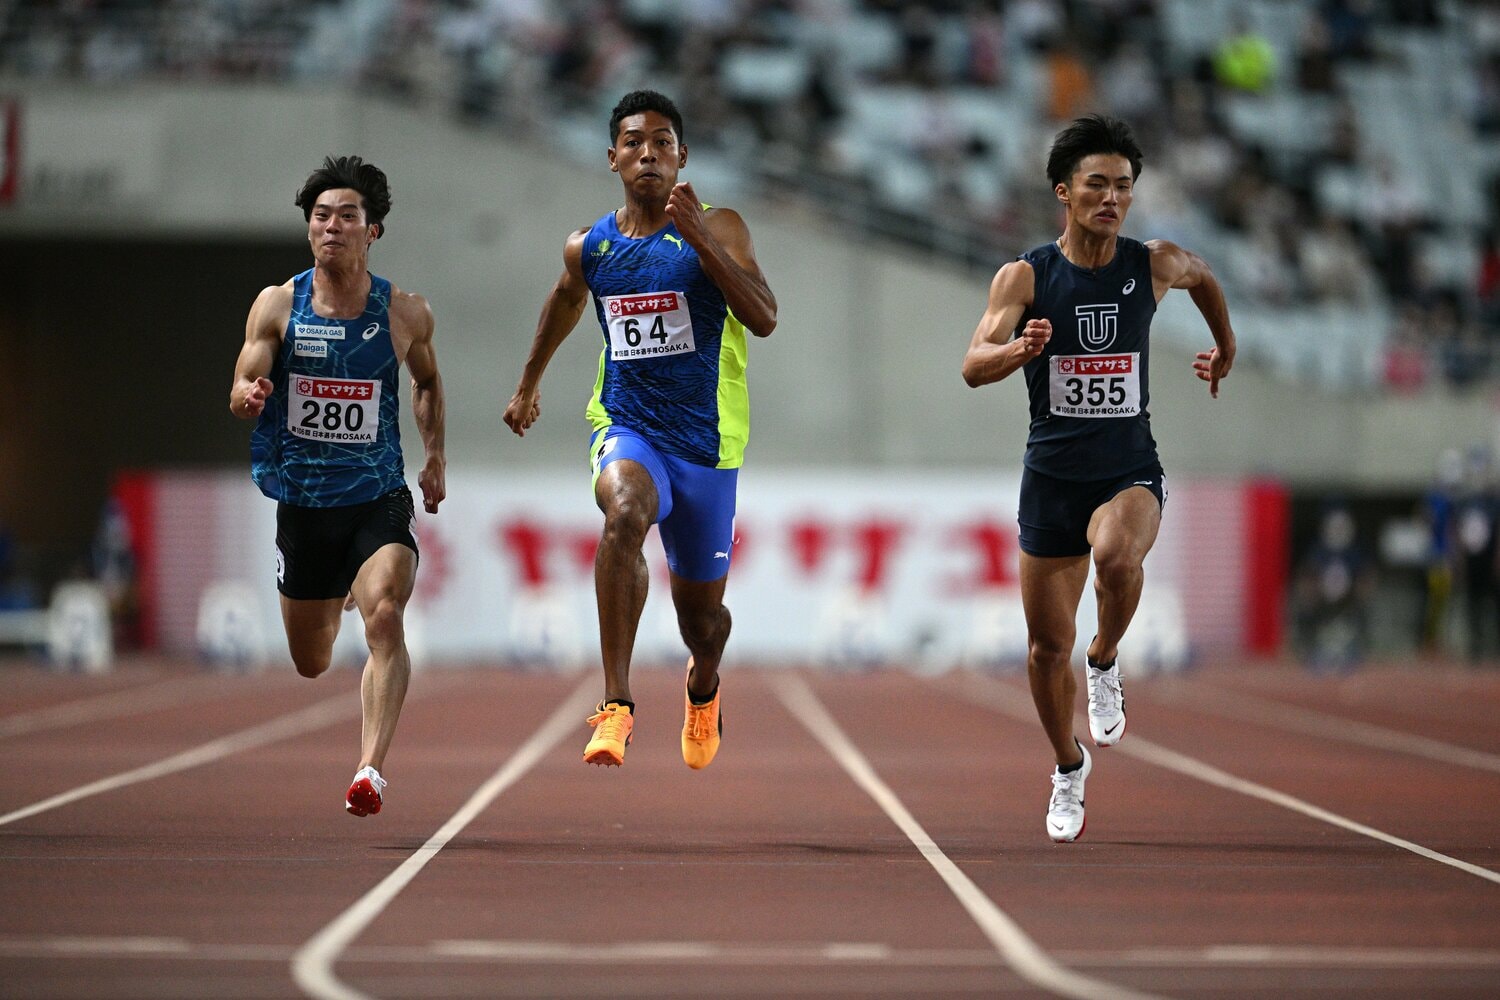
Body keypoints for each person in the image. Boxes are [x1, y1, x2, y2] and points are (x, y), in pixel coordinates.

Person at [960, 114, 1236, 842]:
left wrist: (1225, 346)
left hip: (1128, 470)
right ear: (1064, 192)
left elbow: (1205, 278)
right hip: (1051, 478)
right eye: (1097, 185)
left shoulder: (1153, 264)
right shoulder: (1025, 276)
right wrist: (1021, 349)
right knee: (1045, 650)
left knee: (1118, 556)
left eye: (1123, 186)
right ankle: (1066, 765)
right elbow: (971, 365)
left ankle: (1107, 656)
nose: (1112, 198)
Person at [503, 90, 777, 770]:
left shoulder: (724, 226)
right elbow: (565, 303)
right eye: (633, 141)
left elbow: (765, 317)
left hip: (706, 447)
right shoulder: (591, 246)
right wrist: (529, 382)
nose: (647, 152)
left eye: (662, 141)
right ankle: (616, 705)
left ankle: (703, 685)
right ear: (612, 158)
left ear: (682, 156)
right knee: (624, 511)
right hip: (628, 426)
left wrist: (703, 239)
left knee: (702, 624)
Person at [229, 155, 446, 817]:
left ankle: (369, 772)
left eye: (346, 217)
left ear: (371, 230)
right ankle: (340, 587)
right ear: (309, 229)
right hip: (304, 501)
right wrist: (246, 392)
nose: (331, 227)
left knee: (385, 614)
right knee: (312, 659)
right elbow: (248, 369)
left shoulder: (403, 311)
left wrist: (434, 455)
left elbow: (428, 382)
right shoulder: (277, 304)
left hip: (376, 495)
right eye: (321, 217)